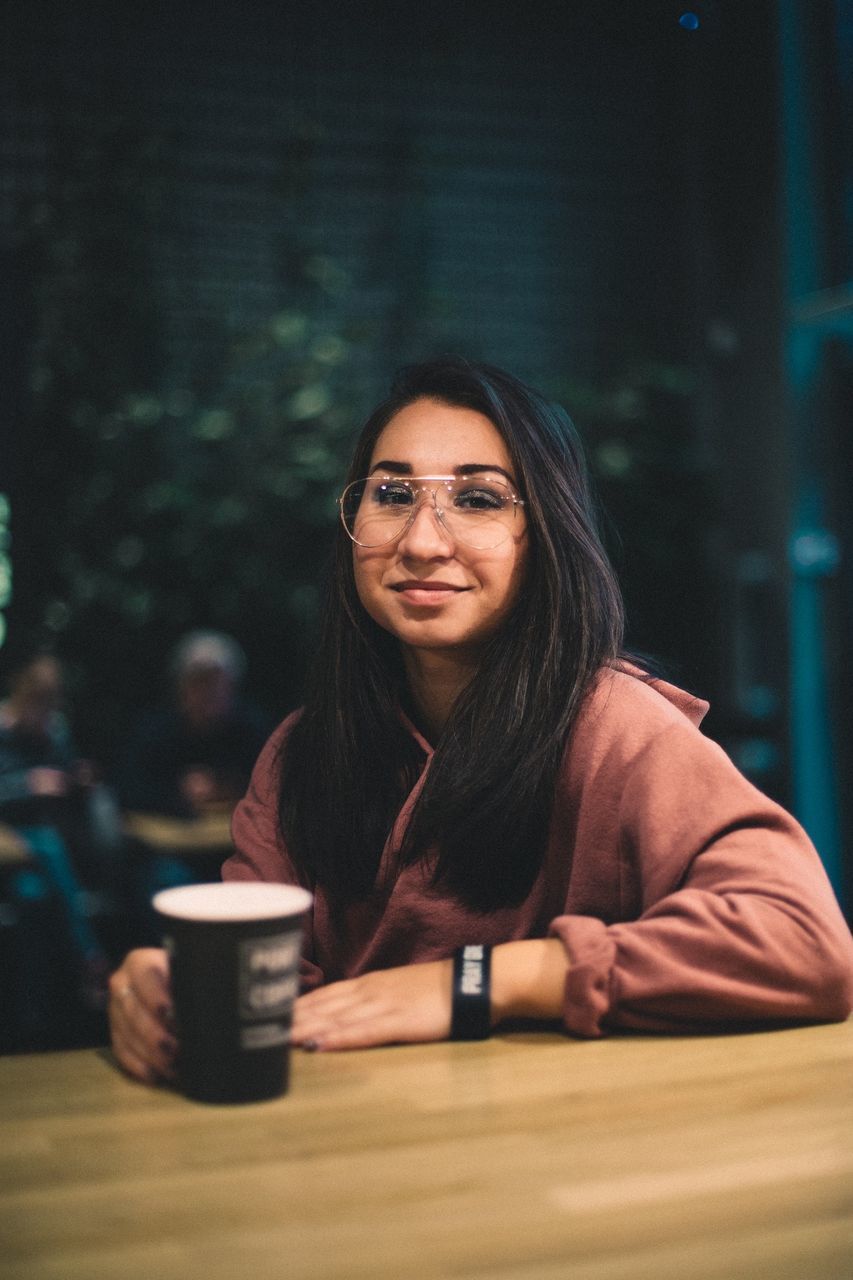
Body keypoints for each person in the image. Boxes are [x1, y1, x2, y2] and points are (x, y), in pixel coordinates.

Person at [109, 357, 853, 1084]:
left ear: (545, 536)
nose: (422, 542)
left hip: (561, 1169)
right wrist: (169, 995)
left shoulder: (613, 729)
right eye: (392, 493)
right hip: (345, 1162)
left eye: (478, 499)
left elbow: (806, 942)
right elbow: (276, 996)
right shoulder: (303, 750)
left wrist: (475, 982)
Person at [0, 651, 113, 1009]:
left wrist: (78, 779)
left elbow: (66, 778)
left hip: (48, 854)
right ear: (20, 686)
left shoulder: (56, 729)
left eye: (52, 695)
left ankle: (34, 1014)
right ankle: (90, 956)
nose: (46, 703)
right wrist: (27, 785)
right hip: (9, 840)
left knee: (34, 896)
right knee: (47, 846)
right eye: (39, 693)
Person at [117, 631, 271, 820]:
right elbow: (129, 790)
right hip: (168, 840)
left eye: (217, 681)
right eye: (199, 682)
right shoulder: (156, 732)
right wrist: (178, 793)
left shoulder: (252, 729)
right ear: (181, 686)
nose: (209, 691)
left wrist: (226, 786)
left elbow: (271, 789)